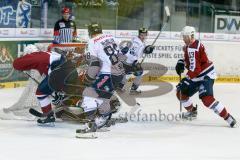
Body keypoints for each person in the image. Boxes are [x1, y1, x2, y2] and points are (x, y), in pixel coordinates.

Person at [175, 26, 236, 127]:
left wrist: (186, 80)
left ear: (191, 36)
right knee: (181, 93)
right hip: (197, 75)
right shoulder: (191, 45)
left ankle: (227, 117)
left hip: (205, 75)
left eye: (185, 36)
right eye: (183, 36)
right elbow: (193, 62)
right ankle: (192, 112)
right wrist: (182, 62)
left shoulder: (192, 49)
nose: (183, 38)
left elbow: (195, 69)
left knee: (207, 99)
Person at [76, 22, 124, 136]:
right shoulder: (112, 37)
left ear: (89, 32)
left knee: (88, 94)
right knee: (103, 98)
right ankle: (103, 120)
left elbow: (95, 63)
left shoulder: (92, 42)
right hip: (119, 74)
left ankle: (90, 126)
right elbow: (122, 56)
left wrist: (88, 78)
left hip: (107, 75)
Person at [13, 44, 65, 124]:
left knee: (41, 92)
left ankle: (49, 116)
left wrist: (21, 66)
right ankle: (61, 99)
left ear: (29, 54)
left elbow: (16, 64)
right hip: (66, 70)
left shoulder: (34, 56)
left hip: (59, 72)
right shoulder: (46, 53)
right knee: (46, 88)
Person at [118, 27, 154, 94]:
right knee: (139, 72)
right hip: (129, 62)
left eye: (144, 34)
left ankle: (119, 87)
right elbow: (132, 53)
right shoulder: (137, 43)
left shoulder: (138, 40)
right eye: (141, 35)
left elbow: (140, 51)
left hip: (128, 61)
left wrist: (147, 49)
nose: (143, 36)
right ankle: (133, 89)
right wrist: (135, 62)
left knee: (127, 73)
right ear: (139, 34)